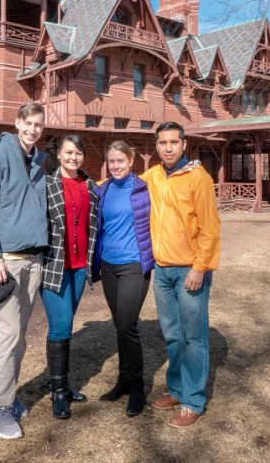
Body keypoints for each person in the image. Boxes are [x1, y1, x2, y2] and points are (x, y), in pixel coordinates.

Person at [0, 102, 48, 440]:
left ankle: (10, 395)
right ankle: (0, 409)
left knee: (19, 336)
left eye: (38, 125)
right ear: (17, 123)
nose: (33, 130)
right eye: (28, 123)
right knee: (8, 336)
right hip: (7, 262)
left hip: (34, 260)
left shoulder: (39, 161)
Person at [142, 121, 220, 428]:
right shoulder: (153, 176)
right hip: (162, 271)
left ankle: (193, 401)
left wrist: (200, 267)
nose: (168, 147)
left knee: (193, 337)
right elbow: (120, 182)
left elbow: (210, 228)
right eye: (163, 143)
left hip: (189, 270)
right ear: (156, 146)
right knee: (172, 335)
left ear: (184, 144)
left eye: (174, 142)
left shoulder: (198, 178)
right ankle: (176, 390)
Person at [93, 140, 154, 417]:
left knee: (128, 325)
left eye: (121, 160)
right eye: (112, 161)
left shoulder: (144, 188)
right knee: (119, 325)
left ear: (131, 161)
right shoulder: (103, 189)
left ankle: (138, 388)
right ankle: (123, 381)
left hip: (134, 265)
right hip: (108, 266)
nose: (116, 166)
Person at [41, 135, 99, 419]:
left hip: (79, 268)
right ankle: (59, 392)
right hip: (54, 267)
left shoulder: (90, 186)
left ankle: (61, 382)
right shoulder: (46, 185)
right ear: (59, 154)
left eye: (78, 153)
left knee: (66, 325)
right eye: (68, 152)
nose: (73, 157)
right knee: (61, 327)